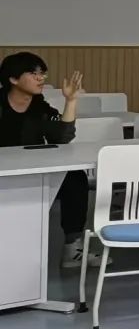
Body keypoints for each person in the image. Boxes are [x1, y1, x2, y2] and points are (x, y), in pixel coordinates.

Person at [0, 52, 98, 269]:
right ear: (13, 79)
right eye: (33, 73)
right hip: (4, 174)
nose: (41, 78)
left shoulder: (41, 108)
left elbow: (62, 138)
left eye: (42, 73)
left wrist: (71, 101)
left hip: (34, 171)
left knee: (75, 178)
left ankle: (72, 249)